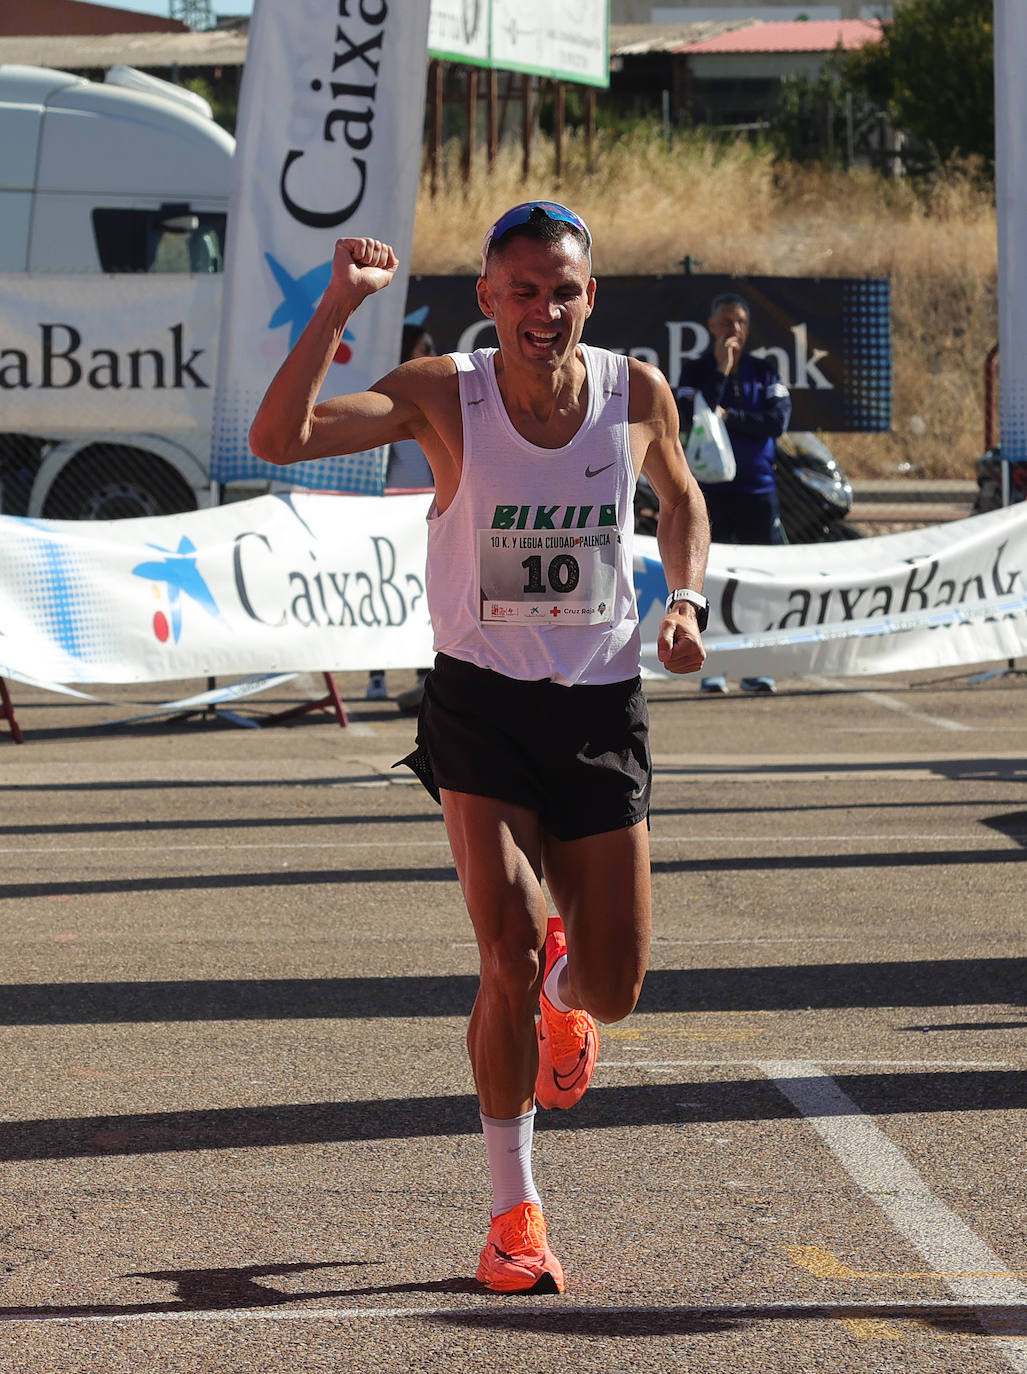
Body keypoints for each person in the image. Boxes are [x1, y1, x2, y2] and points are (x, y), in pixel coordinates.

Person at [249, 201, 711, 1295]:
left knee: (614, 987)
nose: (542, 311)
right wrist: (337, 306)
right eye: (521, 291)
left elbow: (680, 497)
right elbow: (278, 439)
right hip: (481, 710)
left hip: (599, 707)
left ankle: (567, 1001)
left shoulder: (632, 393)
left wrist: (683, 601)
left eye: (563, 290)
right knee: (499, 948)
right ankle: (514, 1216)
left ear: (589, 296)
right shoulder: (441, 394)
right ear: (487, 300)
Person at [677, 291, 791, 695]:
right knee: (714, 582)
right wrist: (722, 374)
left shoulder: (765, 370)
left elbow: (775, 422)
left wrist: (733, 417)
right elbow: (694, 412)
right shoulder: (695, 370)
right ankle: (714, 667)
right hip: (711, 493)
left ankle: (757, 666)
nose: (734, 330)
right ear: (711, 326)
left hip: (759, 490)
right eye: (726, 322)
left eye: (740, 322)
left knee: (761, 582)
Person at [366, 322, 438, 703]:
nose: (429, 351)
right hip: (390, 516)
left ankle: (423, 674)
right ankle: (376, 674)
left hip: (428, 516)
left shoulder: (436, 402)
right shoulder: (389, 403)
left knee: (425, 596)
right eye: (423, 346)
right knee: (385, 592)